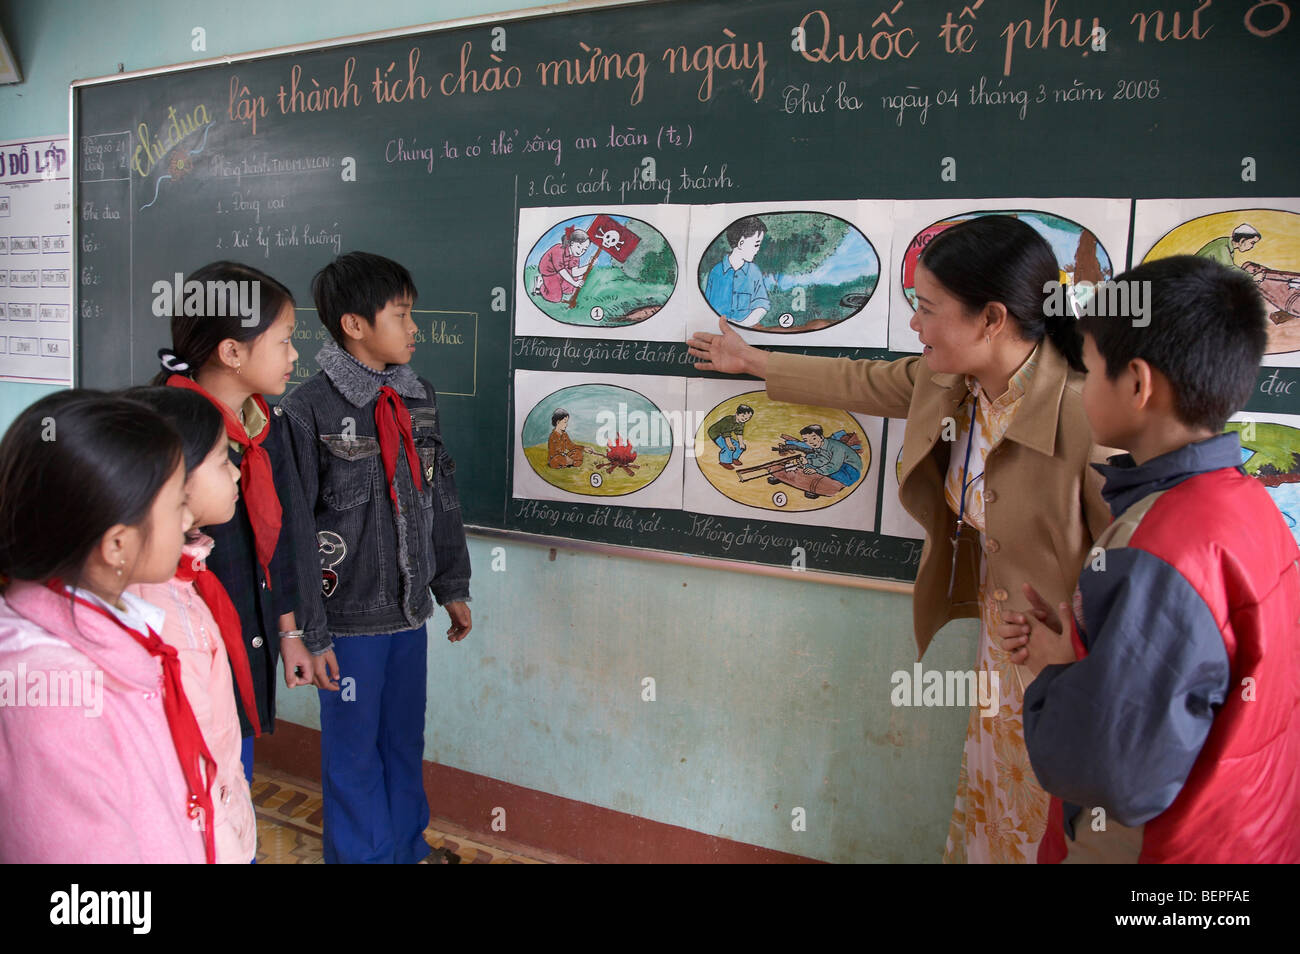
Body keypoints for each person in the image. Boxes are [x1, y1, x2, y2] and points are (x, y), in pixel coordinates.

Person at [689, 215, 1111, 863]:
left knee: (1062, 824)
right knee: (1000, 810)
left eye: (928, 307)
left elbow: (1143, 568)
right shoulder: (955, 384)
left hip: (1077, 667)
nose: (914, 323)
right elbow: (864, 380)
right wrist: (752, 361)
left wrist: (1083, 664)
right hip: (1002, 648)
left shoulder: (1088, 414)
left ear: (991, 318)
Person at [1004, 256, 1300, 863]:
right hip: (1247, 829)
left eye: (1089, 371)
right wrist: (1082, 650)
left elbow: (1116, 772)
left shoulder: (1160, 543)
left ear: (1137, 385)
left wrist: (1058, 675)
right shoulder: (1248, 504)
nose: (1082, 389)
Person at [279, 251, 473, 864]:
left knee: (402, 740)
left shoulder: (418, 397)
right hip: (348, 624)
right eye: (402, 314)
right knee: (353, 752)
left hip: (409, 613)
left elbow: (440, 495)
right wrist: (312, 632)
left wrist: (454, 585)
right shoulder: (307, 408)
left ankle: (406, 848)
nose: (415, 328)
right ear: (355, 325)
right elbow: (295, 534)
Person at [0, 391, 208, 862]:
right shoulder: (53, 694)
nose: (190, 518)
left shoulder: (104, 626)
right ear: (117, 545)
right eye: (178, 504)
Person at [153, 261, 325, 788]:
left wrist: (289, 631)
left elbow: (284, 539)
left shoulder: (262, 426)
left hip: (245, 648)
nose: (296, 356)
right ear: (231, 353)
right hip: (183, 661)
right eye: (285, 341)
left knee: (232, 783)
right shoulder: (161, 438)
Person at [125, 386, 259, 864]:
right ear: (173, 485)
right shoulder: (150, 611)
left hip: (221, 826)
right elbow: (178, 764)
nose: (238, 471)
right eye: (224, 460)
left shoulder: (186, 581)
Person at [704, 216, 771, 327]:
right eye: (756, 244)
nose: (758, 249)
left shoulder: (754, 272)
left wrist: (743, 324)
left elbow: (762, 304)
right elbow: (707, 306)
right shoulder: (716, 272)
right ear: (741, 243)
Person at [792, 424, 861, 487]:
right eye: (806, 440)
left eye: (814, 438)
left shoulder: (836, 447)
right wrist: (807, 461)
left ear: (821, 437)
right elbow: (823, 459)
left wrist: (816, 470)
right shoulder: (819, 446)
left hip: (851, 471)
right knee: (810, 457)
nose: (811, 442)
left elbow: (834, 466)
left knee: (830, 474)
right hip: (837, 465)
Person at [536, 226, 591, 303]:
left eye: (584, 249)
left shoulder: (576, 256)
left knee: (570, 290)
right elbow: (562, 271)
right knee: (556, 297)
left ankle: (557, 284)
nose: (581, 251)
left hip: (561, 271)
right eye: (579, 247)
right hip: (550, 272)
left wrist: (589, 265)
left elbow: (575, 273)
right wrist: (574, 283)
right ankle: (541, 285)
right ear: (572, 243)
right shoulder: (559, 250)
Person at [1194, 223, 1265, 281]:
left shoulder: (1226, 243)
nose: (1252, 246)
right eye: (1252, 242)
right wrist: (1252, 277)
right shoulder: (1222, 247)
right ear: (1242, 240)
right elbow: (1229, 268)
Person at [707, 404, 753, 469]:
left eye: (748, 418)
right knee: (727, 447)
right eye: (743, 416)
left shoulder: (741, 422)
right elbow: (726, 435)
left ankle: (734, 458)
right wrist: (730, 445)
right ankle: (724, 462)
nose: (745, 419)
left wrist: (741, 443)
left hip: (725, 434)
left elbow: (739, 433)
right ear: (737, 414)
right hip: (716, 433)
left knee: (738, 445)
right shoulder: (728, 420)